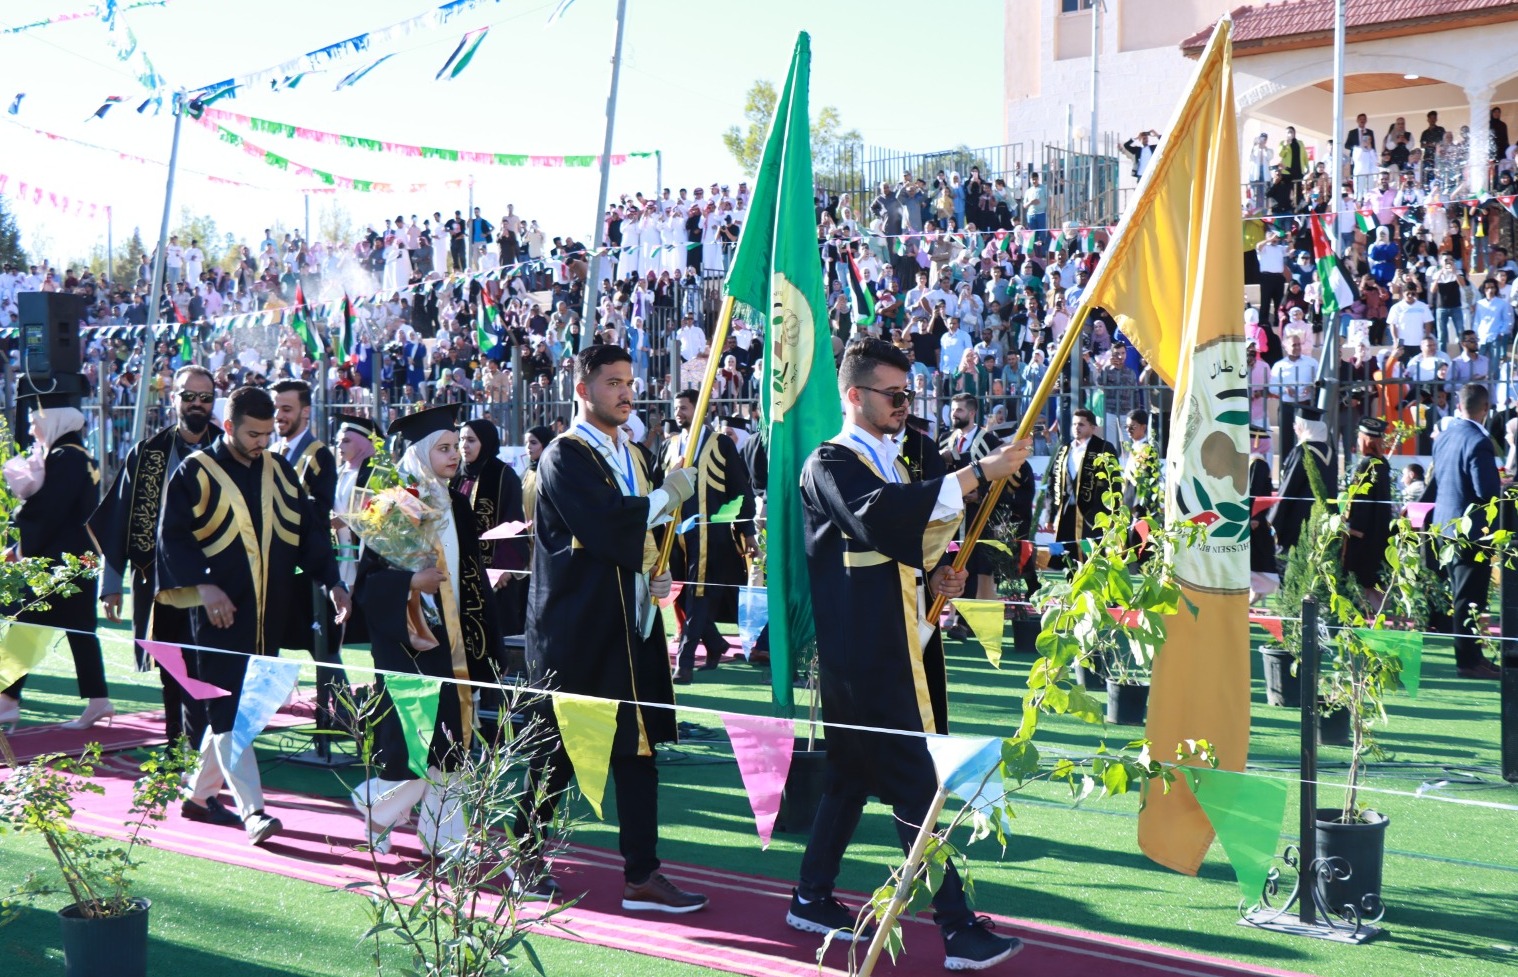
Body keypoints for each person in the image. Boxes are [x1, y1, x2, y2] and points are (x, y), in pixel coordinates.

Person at [786, 339, 1029, 970]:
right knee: (919, 781)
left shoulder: (890, 460)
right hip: (865, 653)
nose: (904, 406)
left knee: (849, 775)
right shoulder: (832, 463)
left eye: (908, 395)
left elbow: (910, 542)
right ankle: (956, 929)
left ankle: (810, 895)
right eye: (893, 395)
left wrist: (939, 576)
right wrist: (979, 473)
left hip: (899, 641)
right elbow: (878, 520)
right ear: (855, 395)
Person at [513, 344, 708, 912]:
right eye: (612, 382)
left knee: (638, 748)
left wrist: (658, 566)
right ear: (583, 390)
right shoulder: (564, 456)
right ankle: (523, 851)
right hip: (578, 625)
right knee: (561, 747)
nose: (625, 392)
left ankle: (642, 874)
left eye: (629, 381)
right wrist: (667, 494)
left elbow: (640, 537)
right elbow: (605, 524)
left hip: (633, 624)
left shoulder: (635, 452)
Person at [157, 386, 350, 845]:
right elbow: (172, 538)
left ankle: (199, 795)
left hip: (270, 614)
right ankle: (254, 813)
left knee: (245, 706)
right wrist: (204, 588)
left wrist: (334, 581)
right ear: (228, 426)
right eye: (254, 433)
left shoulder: (280, 469)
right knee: (230, 709)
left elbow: (308, 532)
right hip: (219, 616)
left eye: (268, 433)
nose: (263, 441)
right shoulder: (194, 471)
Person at [350, 406, 503, 854]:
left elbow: (470, 571)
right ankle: (374, 811)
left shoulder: (455, 500)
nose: (456, 455)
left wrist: (484, 634)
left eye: (457, 447)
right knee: (412, 746)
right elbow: (368, 585)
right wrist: (411, 583)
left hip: (455, 639)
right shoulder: (394, 502)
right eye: (444, 448)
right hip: (412, 642)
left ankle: (444, 836)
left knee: (451, 745)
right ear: (419, 453)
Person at [89, 365, 217, 748]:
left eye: (205, 397)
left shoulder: (230, 450)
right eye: (188, 395)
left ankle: (210, 749)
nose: (197, 404)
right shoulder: (146, 455)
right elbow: (118, 522)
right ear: (172, 398)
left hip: (216, 582)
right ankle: (178, 745)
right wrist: (110, 585)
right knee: (172, 668)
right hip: (159, 580)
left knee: (209, 667)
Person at [0, 396, 112, 730]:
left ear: (56, 421)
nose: (33, 429)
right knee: (80, 631)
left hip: (58, 562)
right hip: (77, 558)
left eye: (37, 422)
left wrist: (20, 533)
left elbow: (48, 509)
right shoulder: (79, 455)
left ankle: (6, 700)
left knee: (26, 625)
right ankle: (99, 701)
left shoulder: (66, 457)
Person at [661, 390, 757, 683]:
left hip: (708, 535)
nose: (679, 413)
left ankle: (685, 662)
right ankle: (715, 643)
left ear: (700, 409)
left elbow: (740, 489)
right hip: (672, 535)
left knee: (698, 594)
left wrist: (746, 531)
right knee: (676, 593)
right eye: (676, 408)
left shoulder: (721, 444)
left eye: (684, 407)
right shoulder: (670, 445)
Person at [271, 379, 347, 734]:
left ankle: (346, 710)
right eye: (276, 408)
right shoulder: (274, 449)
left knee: (321, 642)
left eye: (286, 409)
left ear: (304, 411)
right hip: (279, 565)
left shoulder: (318, 454)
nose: (279, 415)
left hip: (309, 564)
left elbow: (319, 512)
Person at [1424, 383, 1503, 679]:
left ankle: (1472, 658)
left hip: (1445, 526)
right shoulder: (1478, 441)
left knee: (1463, 596)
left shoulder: (1444, 436)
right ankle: (1469, 662)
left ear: (1459, 406)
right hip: (1471, 530)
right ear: (1485, 409)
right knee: (1469, 599)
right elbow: (1485, 490)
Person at [938, 394, 1009, 627]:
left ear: (971, 413)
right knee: (949, 562)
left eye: (959, 410)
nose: (954, 414)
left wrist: (980, 493)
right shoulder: (944, 439)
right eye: (953, 410)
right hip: (949, 515)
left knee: (973, 563)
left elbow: (1002, 477)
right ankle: (949, 612)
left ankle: (964, 620)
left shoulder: (989, 440)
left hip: (977, 514)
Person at [454, 418, 526, 635]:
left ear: (485, 442)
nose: (464, 446)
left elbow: (513, 523)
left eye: (471, 440)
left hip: (494, 573)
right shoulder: (457, 475)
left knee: (495, 633)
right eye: (461, 440)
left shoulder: (503, 475)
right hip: (459, 569)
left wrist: (504, 567)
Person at [1048, 408, 1119, 554]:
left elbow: (1114, 484)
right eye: (1074, 424)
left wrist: (1112, 513)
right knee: (1066, 557)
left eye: (1081, 424)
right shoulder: (1064, 449)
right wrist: (1050, 515)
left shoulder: (1104, 448)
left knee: (1090, 555)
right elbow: (1052, 480)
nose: (1076, 428)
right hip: (1066, 512)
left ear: (1092, 427)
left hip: (1092, 514)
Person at [1269, 406, 1334, 554]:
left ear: (1304, 426)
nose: (1294, 428)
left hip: (1299, 521)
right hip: (1323, 518)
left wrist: (1273, 520)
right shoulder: (1329, 452)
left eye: (1297, 425)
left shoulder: (1301, 451)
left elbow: (1288, 488)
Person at [1342, 418, 1393, 599]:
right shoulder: (1383, 463)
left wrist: (1353, 528)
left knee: (1362, 581)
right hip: (1378, 531)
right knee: (1372, 582)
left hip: (1363, 534)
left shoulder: (1366, 464)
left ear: (1364, 440)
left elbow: (1362, 499)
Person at [1246, 426, 1280, 604]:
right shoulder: (1253, 462)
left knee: (1258, 557)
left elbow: (1254, 492)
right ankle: (1254, 591)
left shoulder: (1257, 463)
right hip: (1252, 519)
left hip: (1254, 520)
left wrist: (1253, 517)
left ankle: (1256, 591)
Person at [521, 425, 554, 524]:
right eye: (526, 443)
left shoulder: (551, 470)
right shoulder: (526, 472)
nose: (528, 447)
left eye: (533, 442)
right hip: (528, 533)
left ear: (545, 444)